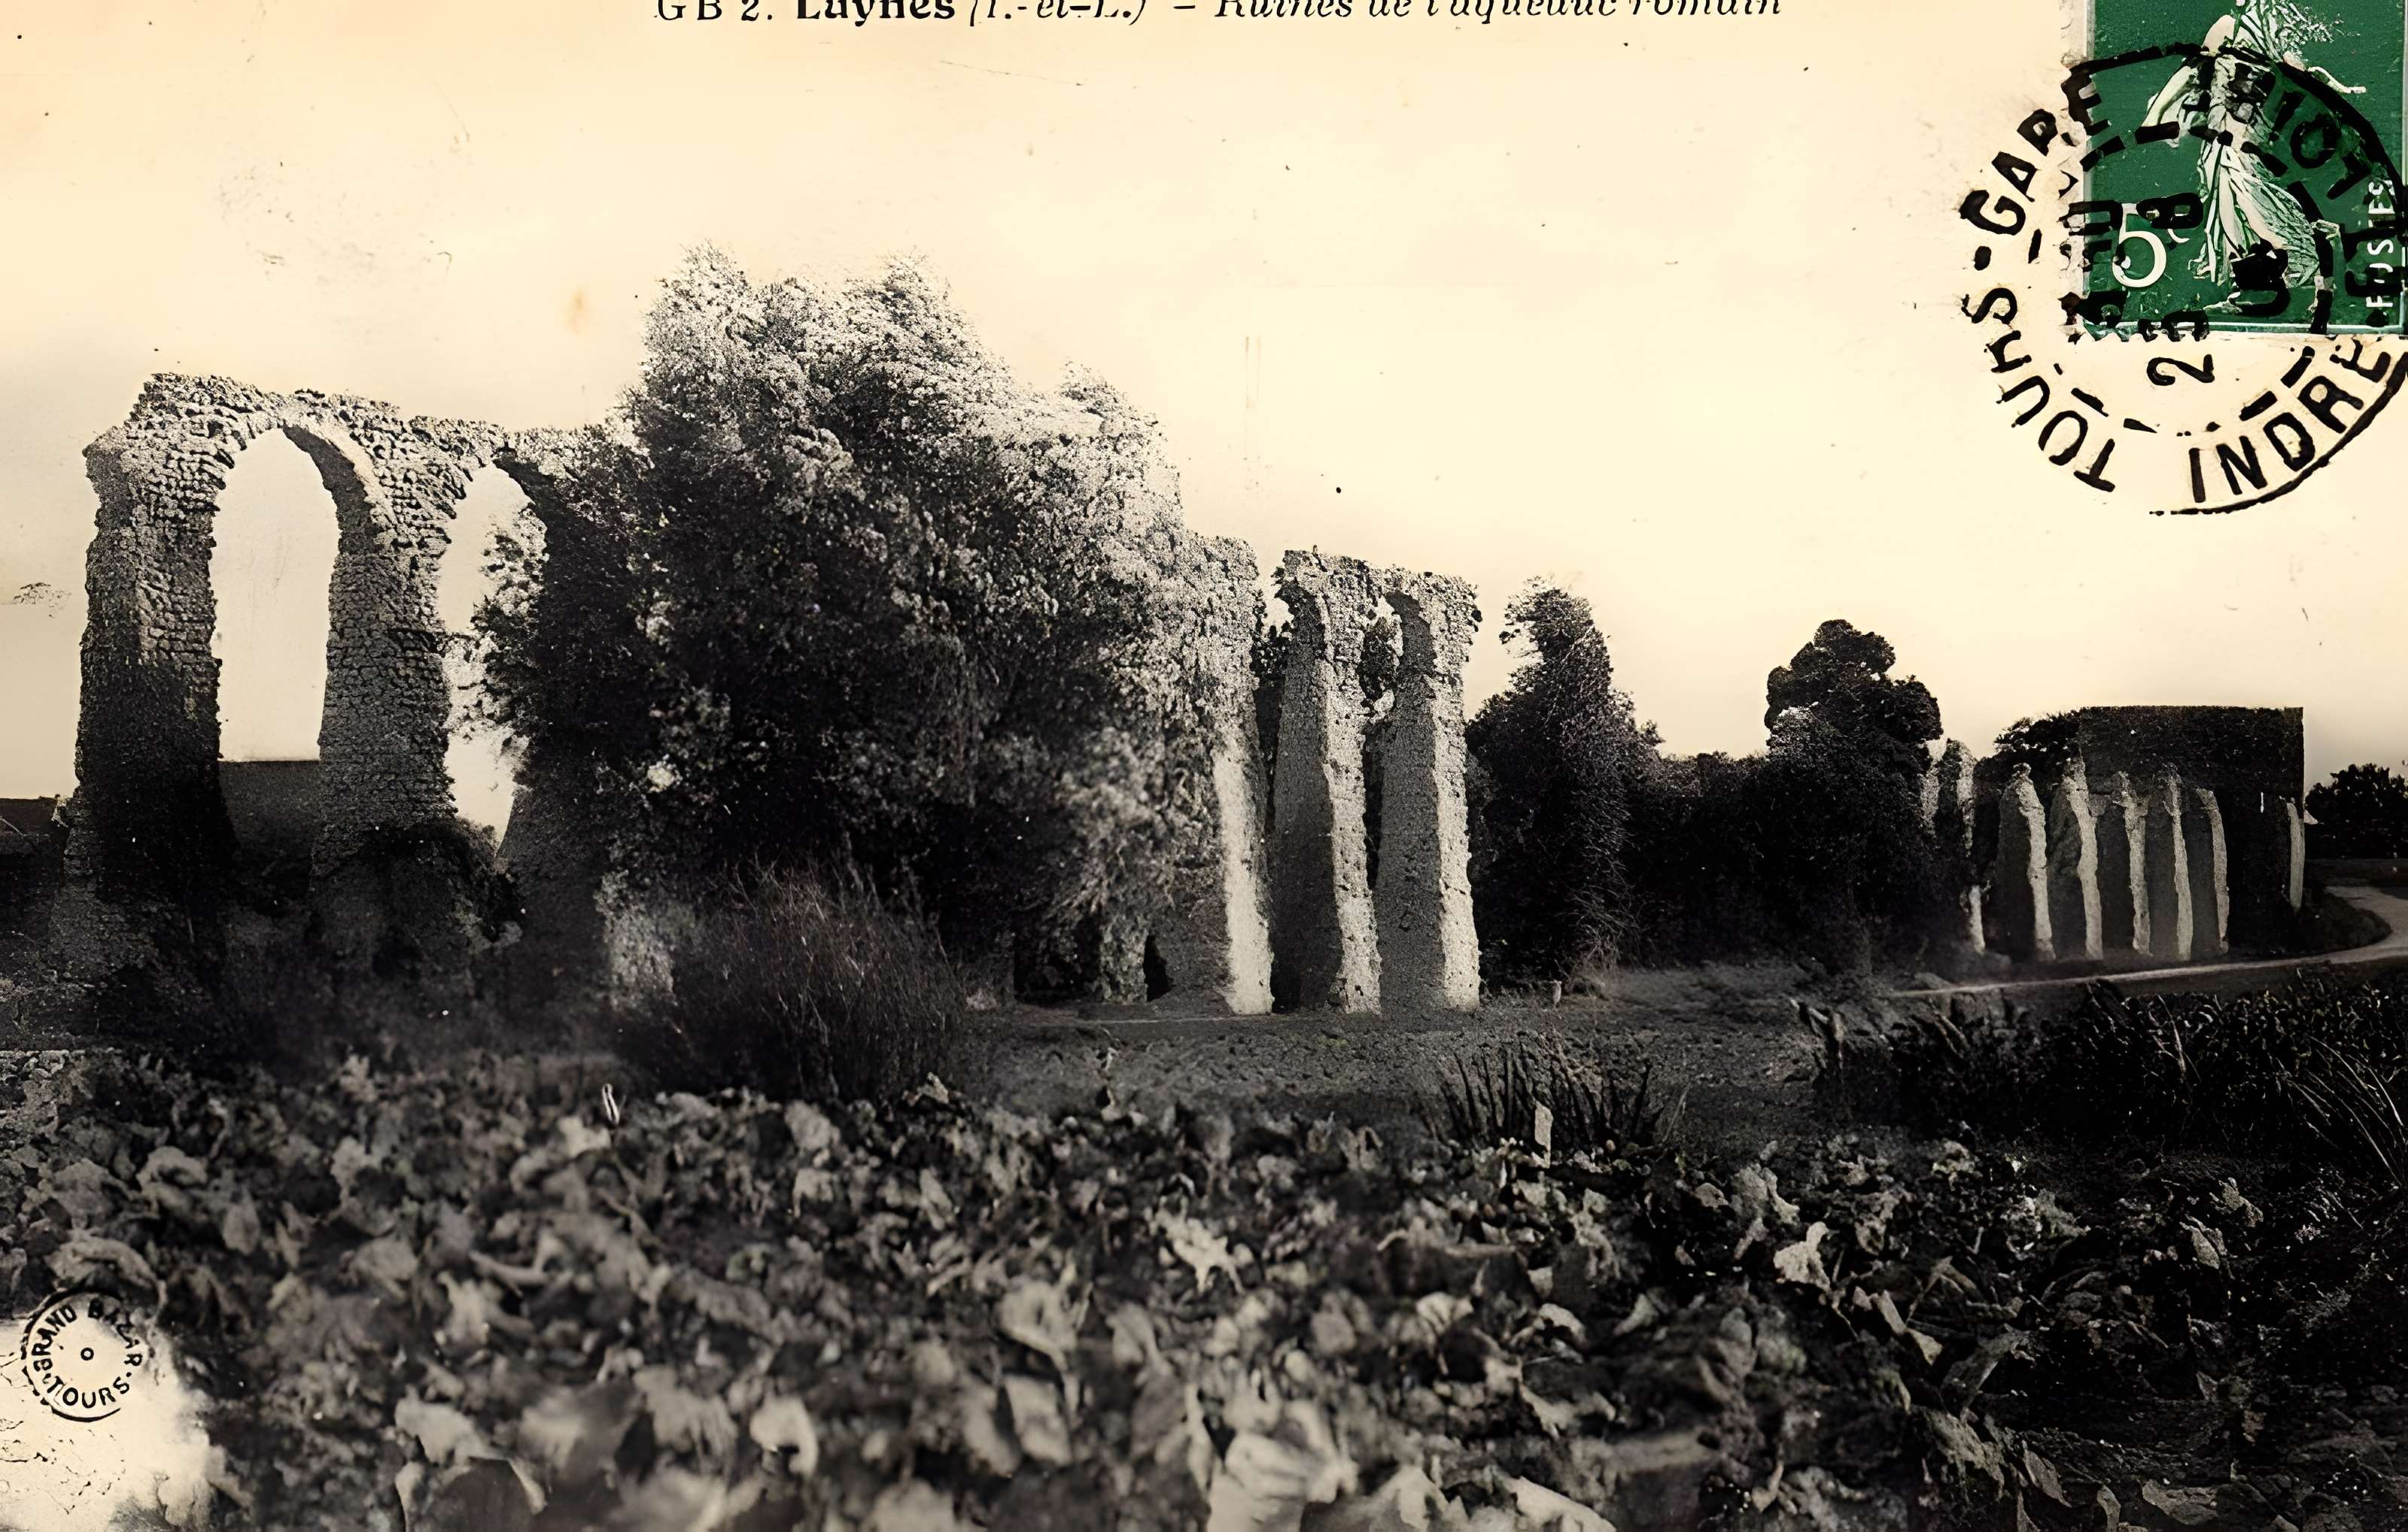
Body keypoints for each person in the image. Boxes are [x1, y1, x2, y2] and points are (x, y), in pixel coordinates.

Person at [2140, 0, 2365, 294]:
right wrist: (2157, 113)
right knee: (2229, 199)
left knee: (2254, 196)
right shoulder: (2227, 27)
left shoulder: (2279, 24)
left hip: (2259, 134)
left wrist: (2337, 91)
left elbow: (2305, 77)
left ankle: (2296, 260)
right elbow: (2193, 71)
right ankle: (2249, 272)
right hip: (2227, 131)